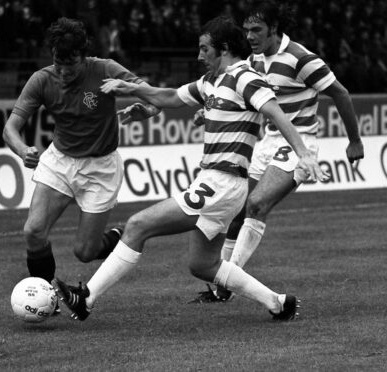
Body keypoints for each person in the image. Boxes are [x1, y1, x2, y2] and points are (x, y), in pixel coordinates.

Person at [51, 16, 327, 322]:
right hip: (221, 185)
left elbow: (276, 112)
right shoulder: (212, 82)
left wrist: (304, 154)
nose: (199, 56)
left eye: (204, 49)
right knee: (203, 265)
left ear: (223, 49)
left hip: (221, 183)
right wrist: (127, 87)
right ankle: (278, 303)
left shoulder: (245, 78)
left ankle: (86, 299)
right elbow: (168, 97)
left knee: (138, 225)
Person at [191, 0, 365, 303]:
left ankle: (226, 281)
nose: (250, 36)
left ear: (274, 29)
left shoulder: (301, 59)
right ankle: (224, 282)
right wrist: (210, 111)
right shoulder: (253, 61)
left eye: (257, 29)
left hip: (299, 144)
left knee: (257, 205)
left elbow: (340, 93)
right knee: (236, 210)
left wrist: (354, 141)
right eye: (246, 30)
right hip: (267, 143)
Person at [2, 18, 159, 291]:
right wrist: (22, 149)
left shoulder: (105, 69)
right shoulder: (41, 80)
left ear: (83, 56)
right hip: (59, 162)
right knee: (33, 231)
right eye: (57, 63)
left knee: (85, 252)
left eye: (70, 65)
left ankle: (121, 236)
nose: (62, 71)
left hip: (101, 167)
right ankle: (45, 295)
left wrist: (147, 111)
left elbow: (153, 96)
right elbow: (10, 129)